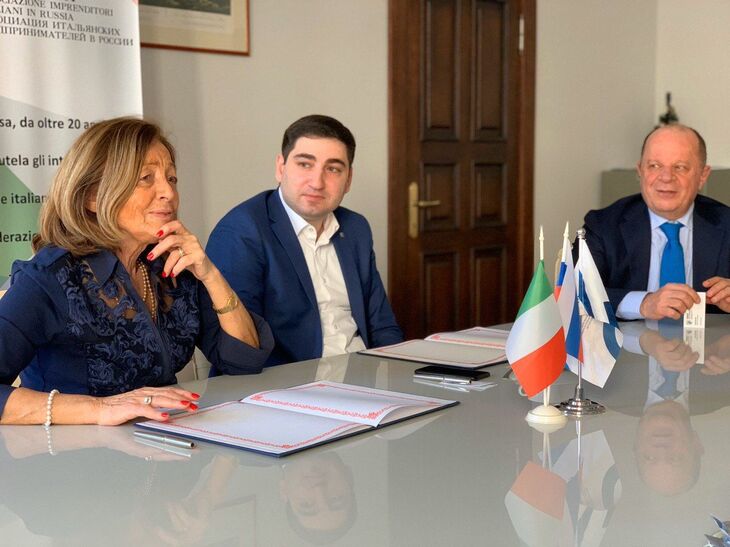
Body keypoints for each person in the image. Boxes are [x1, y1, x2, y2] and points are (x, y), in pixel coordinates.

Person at [0, 117, 273, 426]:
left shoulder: (172, 265)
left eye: (171, 178)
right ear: (92, 196)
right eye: (146, 178)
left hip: (164, 441)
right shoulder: (48, 278)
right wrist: (101, 408)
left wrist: (210, 275)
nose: (168, 192)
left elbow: (243, 361)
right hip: (68, 450)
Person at [206, 114, 403, 367]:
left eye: (333, 169)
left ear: (348, 180)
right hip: (290, 383)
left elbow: (383, 327)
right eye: (305, 164)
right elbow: (240, 350)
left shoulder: (356, 229)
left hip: (361, 375)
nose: (317, 183)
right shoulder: (242, 231)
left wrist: (396, 376)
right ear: (281, 168)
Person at [581, 124, 730, 320]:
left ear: (703, 176)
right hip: (626, 340)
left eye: (680, 167)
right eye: (654, 166)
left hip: (712, 340)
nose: (666, 177)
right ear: (640, 171)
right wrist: (643, 303)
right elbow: (577, 291)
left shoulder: (726, 225)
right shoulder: (603, 226)